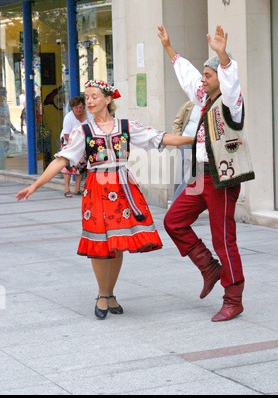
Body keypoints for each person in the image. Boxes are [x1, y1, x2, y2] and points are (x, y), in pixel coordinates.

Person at [16, 80, 194, 320]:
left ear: (108, 100)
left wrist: (195, 141)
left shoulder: (126, 126)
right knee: (100, 243)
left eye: (94, 97)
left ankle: (110, 293)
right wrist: (35, 185)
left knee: (118, 242)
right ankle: (102, 293)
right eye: (87, 97)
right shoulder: (83, 131)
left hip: (122, 186)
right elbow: (62, 160)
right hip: (97, 189)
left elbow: (160, 138)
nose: (89, 101)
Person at [158, 24, 255, 322]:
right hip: (200, 178)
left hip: (222, 180)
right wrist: (169, 49)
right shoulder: (204, 98)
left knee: (223, 238)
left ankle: (233, 297)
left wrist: (223, 56)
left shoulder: (230, 103)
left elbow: (231, 81)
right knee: (174, 221)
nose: (203, 79)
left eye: (209, 75)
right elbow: (188, 76)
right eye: (205, 74)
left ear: (219, 79)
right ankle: (209, 268)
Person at [60, 96, 93, 197]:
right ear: (72, 108)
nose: (78, 110)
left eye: (80, 107)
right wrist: (76, 143)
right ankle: (66, 188)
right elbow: (66, 135)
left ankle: (77, 188)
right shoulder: (68, 117)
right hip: (68, 142)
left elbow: (92, 130)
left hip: (83, 143)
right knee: (67, 165)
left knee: (81, 165)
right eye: (76, 108)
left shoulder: (89, 116)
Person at [172, 100, 201, 201]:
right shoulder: (189, 104)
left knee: (190, 175)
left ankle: (178, 202)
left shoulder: (210, 104)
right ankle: (176, 201)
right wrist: (178, 140)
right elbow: (177, 122)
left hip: (200, 146)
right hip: (185, 143)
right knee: (181, 175)